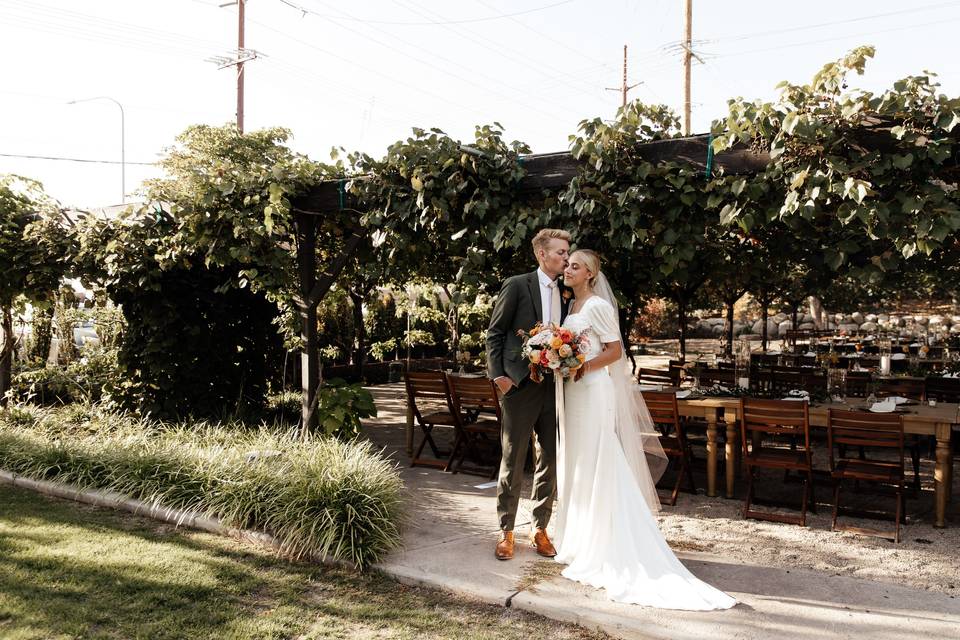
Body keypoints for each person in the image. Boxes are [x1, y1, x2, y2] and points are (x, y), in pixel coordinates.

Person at [554, 249, 736, 610]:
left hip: (591, 390)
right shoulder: (570, 309)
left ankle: (608, 541)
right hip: (572, 392)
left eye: (576, 265)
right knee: (577, 461)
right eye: (568, 264)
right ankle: (577, 539)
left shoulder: (597, 307)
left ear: (590, 274)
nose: (568, 269)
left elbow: (615, 352)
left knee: (597, 457)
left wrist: (582, 367)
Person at [486, 228, 571, 561]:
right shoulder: (517, 284)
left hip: (556, 387)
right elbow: (495, 333)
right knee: (514, 457)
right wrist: (500, 377)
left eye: (567, 252)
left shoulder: (568, 292)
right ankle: (507, 531)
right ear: (542, 254)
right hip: (520, 384)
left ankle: (540, 529)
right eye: (561, 252)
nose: (566, 257)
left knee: (550, 458)